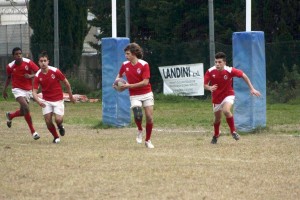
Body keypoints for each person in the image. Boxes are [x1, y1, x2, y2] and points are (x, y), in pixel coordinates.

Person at [204, 52, 261, 144]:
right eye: (216, 62)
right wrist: (209, 87)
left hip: (228, 94)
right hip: (216, 97)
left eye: (219, 62)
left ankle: (233, 131)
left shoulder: (230, 70)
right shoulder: (210, 71)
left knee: (226, 110)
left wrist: (252, 88)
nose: (217, 64)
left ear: (224, 63)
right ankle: (216, 134)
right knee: (217, 118)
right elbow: (205, 85)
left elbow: (243, 75)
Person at [113, 43, 155, 149]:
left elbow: (145, 82)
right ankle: (140, 129)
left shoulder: (144, 64)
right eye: (125, 54)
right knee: (138, 114)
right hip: (134, 94)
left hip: (146, 93)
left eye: (128, 54)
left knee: (149, 118)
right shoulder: (125, 65)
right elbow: (119, 75)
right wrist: (116, 83)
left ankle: (148, 140)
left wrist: (128, 85)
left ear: (134, 53)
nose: (126, 56)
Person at [32, 51, 75, 143]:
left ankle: (60, 126)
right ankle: (56, 137)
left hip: (58, 100)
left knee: (58, 119)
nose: (43, 63)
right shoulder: (37, 76)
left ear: (48, 62)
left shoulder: (55, 71)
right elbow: (34, 92)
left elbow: (66, 83)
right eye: (41, 61)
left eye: (45, 61)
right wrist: (38, 101)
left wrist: (70, 96)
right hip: (46, 100)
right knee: (48, 121)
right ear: (38, 62)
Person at [2, 47, 40, 140]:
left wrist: (30, 76)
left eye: (20, 54)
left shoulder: (28, 62)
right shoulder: (10, 66)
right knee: (26, 108)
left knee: (23, 112)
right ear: (13, 56)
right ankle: (33, 132)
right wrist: (4, 90)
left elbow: (38, 72)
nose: (19, 56)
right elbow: (8, 77)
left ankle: (10, 115)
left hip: (28, 90)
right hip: (17, 90)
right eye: (16, 54)